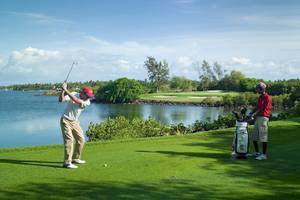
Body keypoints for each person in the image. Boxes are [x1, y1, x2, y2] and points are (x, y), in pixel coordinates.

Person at [59, 82, 94, 169]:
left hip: (75, 122)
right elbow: (61, 100)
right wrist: (62, 91)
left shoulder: (87, 102)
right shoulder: (74, 93)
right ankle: (67, 163)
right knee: (69, 140)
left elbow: (76, 100)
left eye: (90, 96)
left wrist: (66, 89)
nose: (89, 98)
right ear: (82, 93)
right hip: (65, 120)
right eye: (88, 96)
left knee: (81, 140)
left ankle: (76, 158)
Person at [249, 82, 272, 160]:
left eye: (258, 88)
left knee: (263, 136)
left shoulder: (267, 97)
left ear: (262, 89)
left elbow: (262, 108)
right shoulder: (260, 97)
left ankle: (264, 155)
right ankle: (257, 152)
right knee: (254, 137)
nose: (257, 90)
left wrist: (254, 115)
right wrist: (250, 113)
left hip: (264, 118)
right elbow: (257, 107)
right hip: (258, 117)